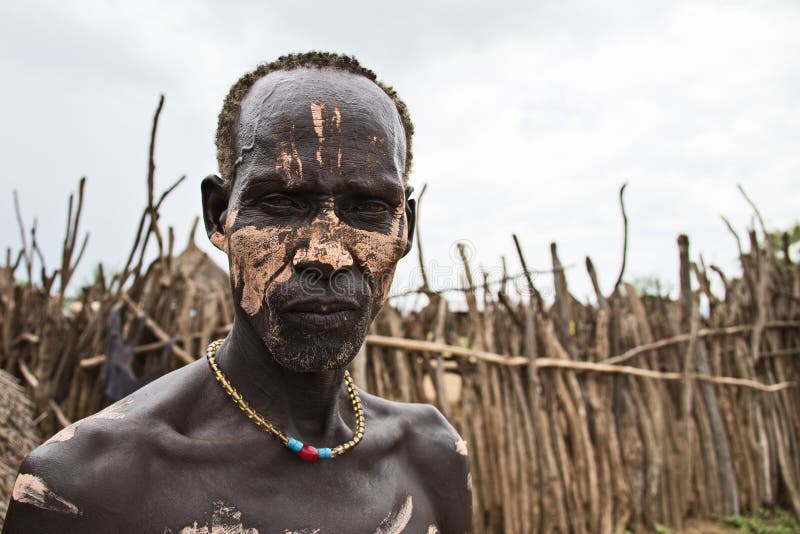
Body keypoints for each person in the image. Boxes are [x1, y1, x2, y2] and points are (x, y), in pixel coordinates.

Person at [3, 51, 472, 533]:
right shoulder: (82, 489)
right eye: (280, 202)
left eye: (369, 207)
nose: (328, 254)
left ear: (406, 228)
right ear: (219, 215)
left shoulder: (432, 456)